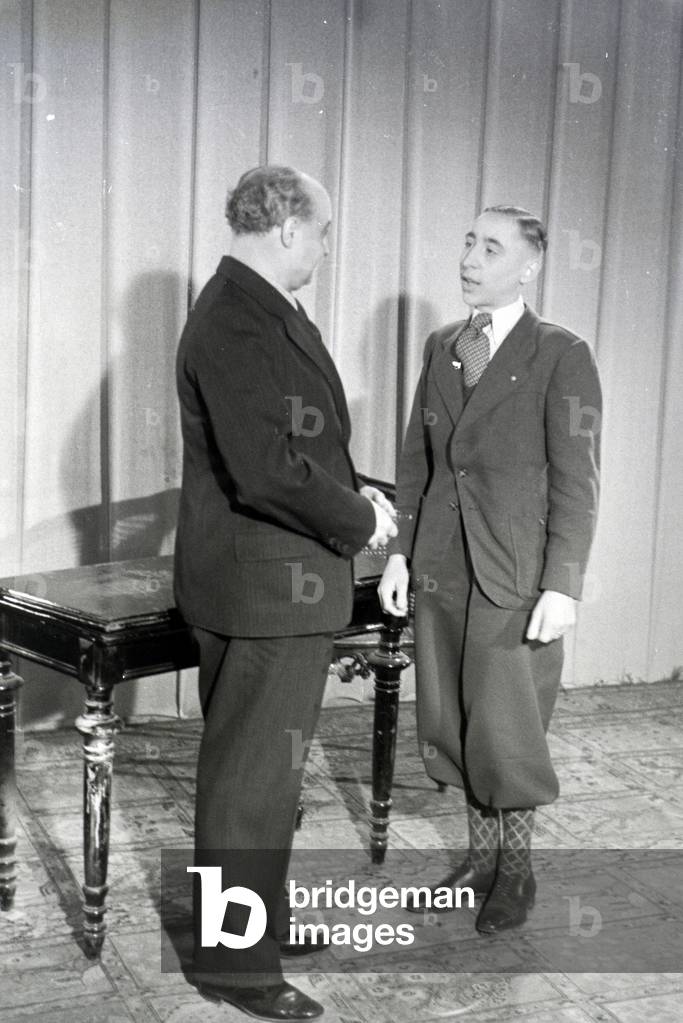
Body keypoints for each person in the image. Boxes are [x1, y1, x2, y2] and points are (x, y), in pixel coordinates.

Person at [174, 165, 396, 1020]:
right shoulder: (235, 317)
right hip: (264, 588)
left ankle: (249, 922)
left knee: (264, 774)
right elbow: (266, 469)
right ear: (289, 228)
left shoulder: (257, 309)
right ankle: (234, 965)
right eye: (327, 231)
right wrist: (359, 521)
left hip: (275, 581)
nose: (329, 249)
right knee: (250, 777)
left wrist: (359, 496)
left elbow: (302, 448)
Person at [379, 205, 601, 934]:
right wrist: (400, 555)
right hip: (442, 568)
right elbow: (417, 461)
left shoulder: (560, 353)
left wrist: (562, 583)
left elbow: (578, 479)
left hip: (513, 577)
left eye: (491, 247)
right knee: (453, 718)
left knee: (508, 728)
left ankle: (516, 872)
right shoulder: (444, 344)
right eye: (468, 241)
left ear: (528, 265)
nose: (470, 257)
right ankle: (477, 861)